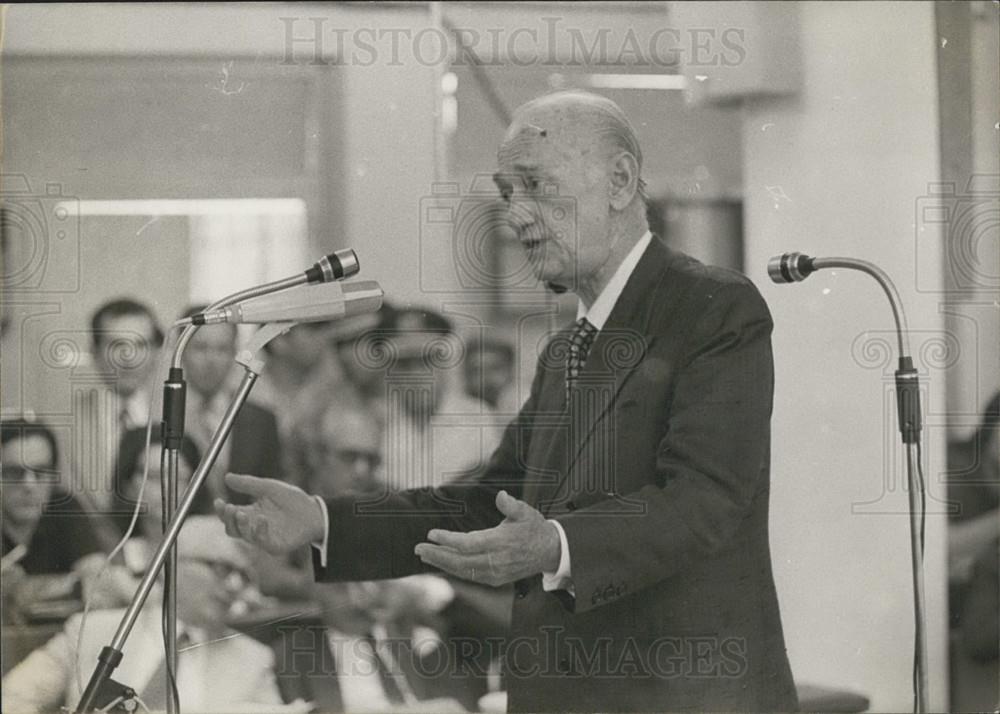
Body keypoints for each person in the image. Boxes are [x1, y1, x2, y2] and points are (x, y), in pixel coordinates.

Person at [215, 90, 797, 712]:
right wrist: (326, 523)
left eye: (534, 185)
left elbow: (704, 499)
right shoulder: (563, 353)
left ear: (621, 181)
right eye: (506, 192)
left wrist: (556, 544)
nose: (515, 214)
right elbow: (485, 501)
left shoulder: (712, 309)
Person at [1, 516, 284, 713]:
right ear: (170, 564)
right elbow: (12, 698)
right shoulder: (94, 631)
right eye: (221, 568)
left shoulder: (253, 660)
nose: (234, 586)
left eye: (243, 576)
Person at [182, 305, 283, 503]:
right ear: (182, 350)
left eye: (222, 349)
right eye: (201, 348)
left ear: (234, 353)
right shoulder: (159, 415)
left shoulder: (261, 420)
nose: (211, 360)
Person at [78, 298, 164, 512]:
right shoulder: (66, 423)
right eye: (117, 345)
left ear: (155, 352)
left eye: (141, 344)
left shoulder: (177, 415)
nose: (130, 357)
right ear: (94, 352)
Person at [1, 418, 105, 577]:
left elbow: (98, 576)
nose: (29, 485)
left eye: (41, 472)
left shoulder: (65, 508)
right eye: (13, 472)